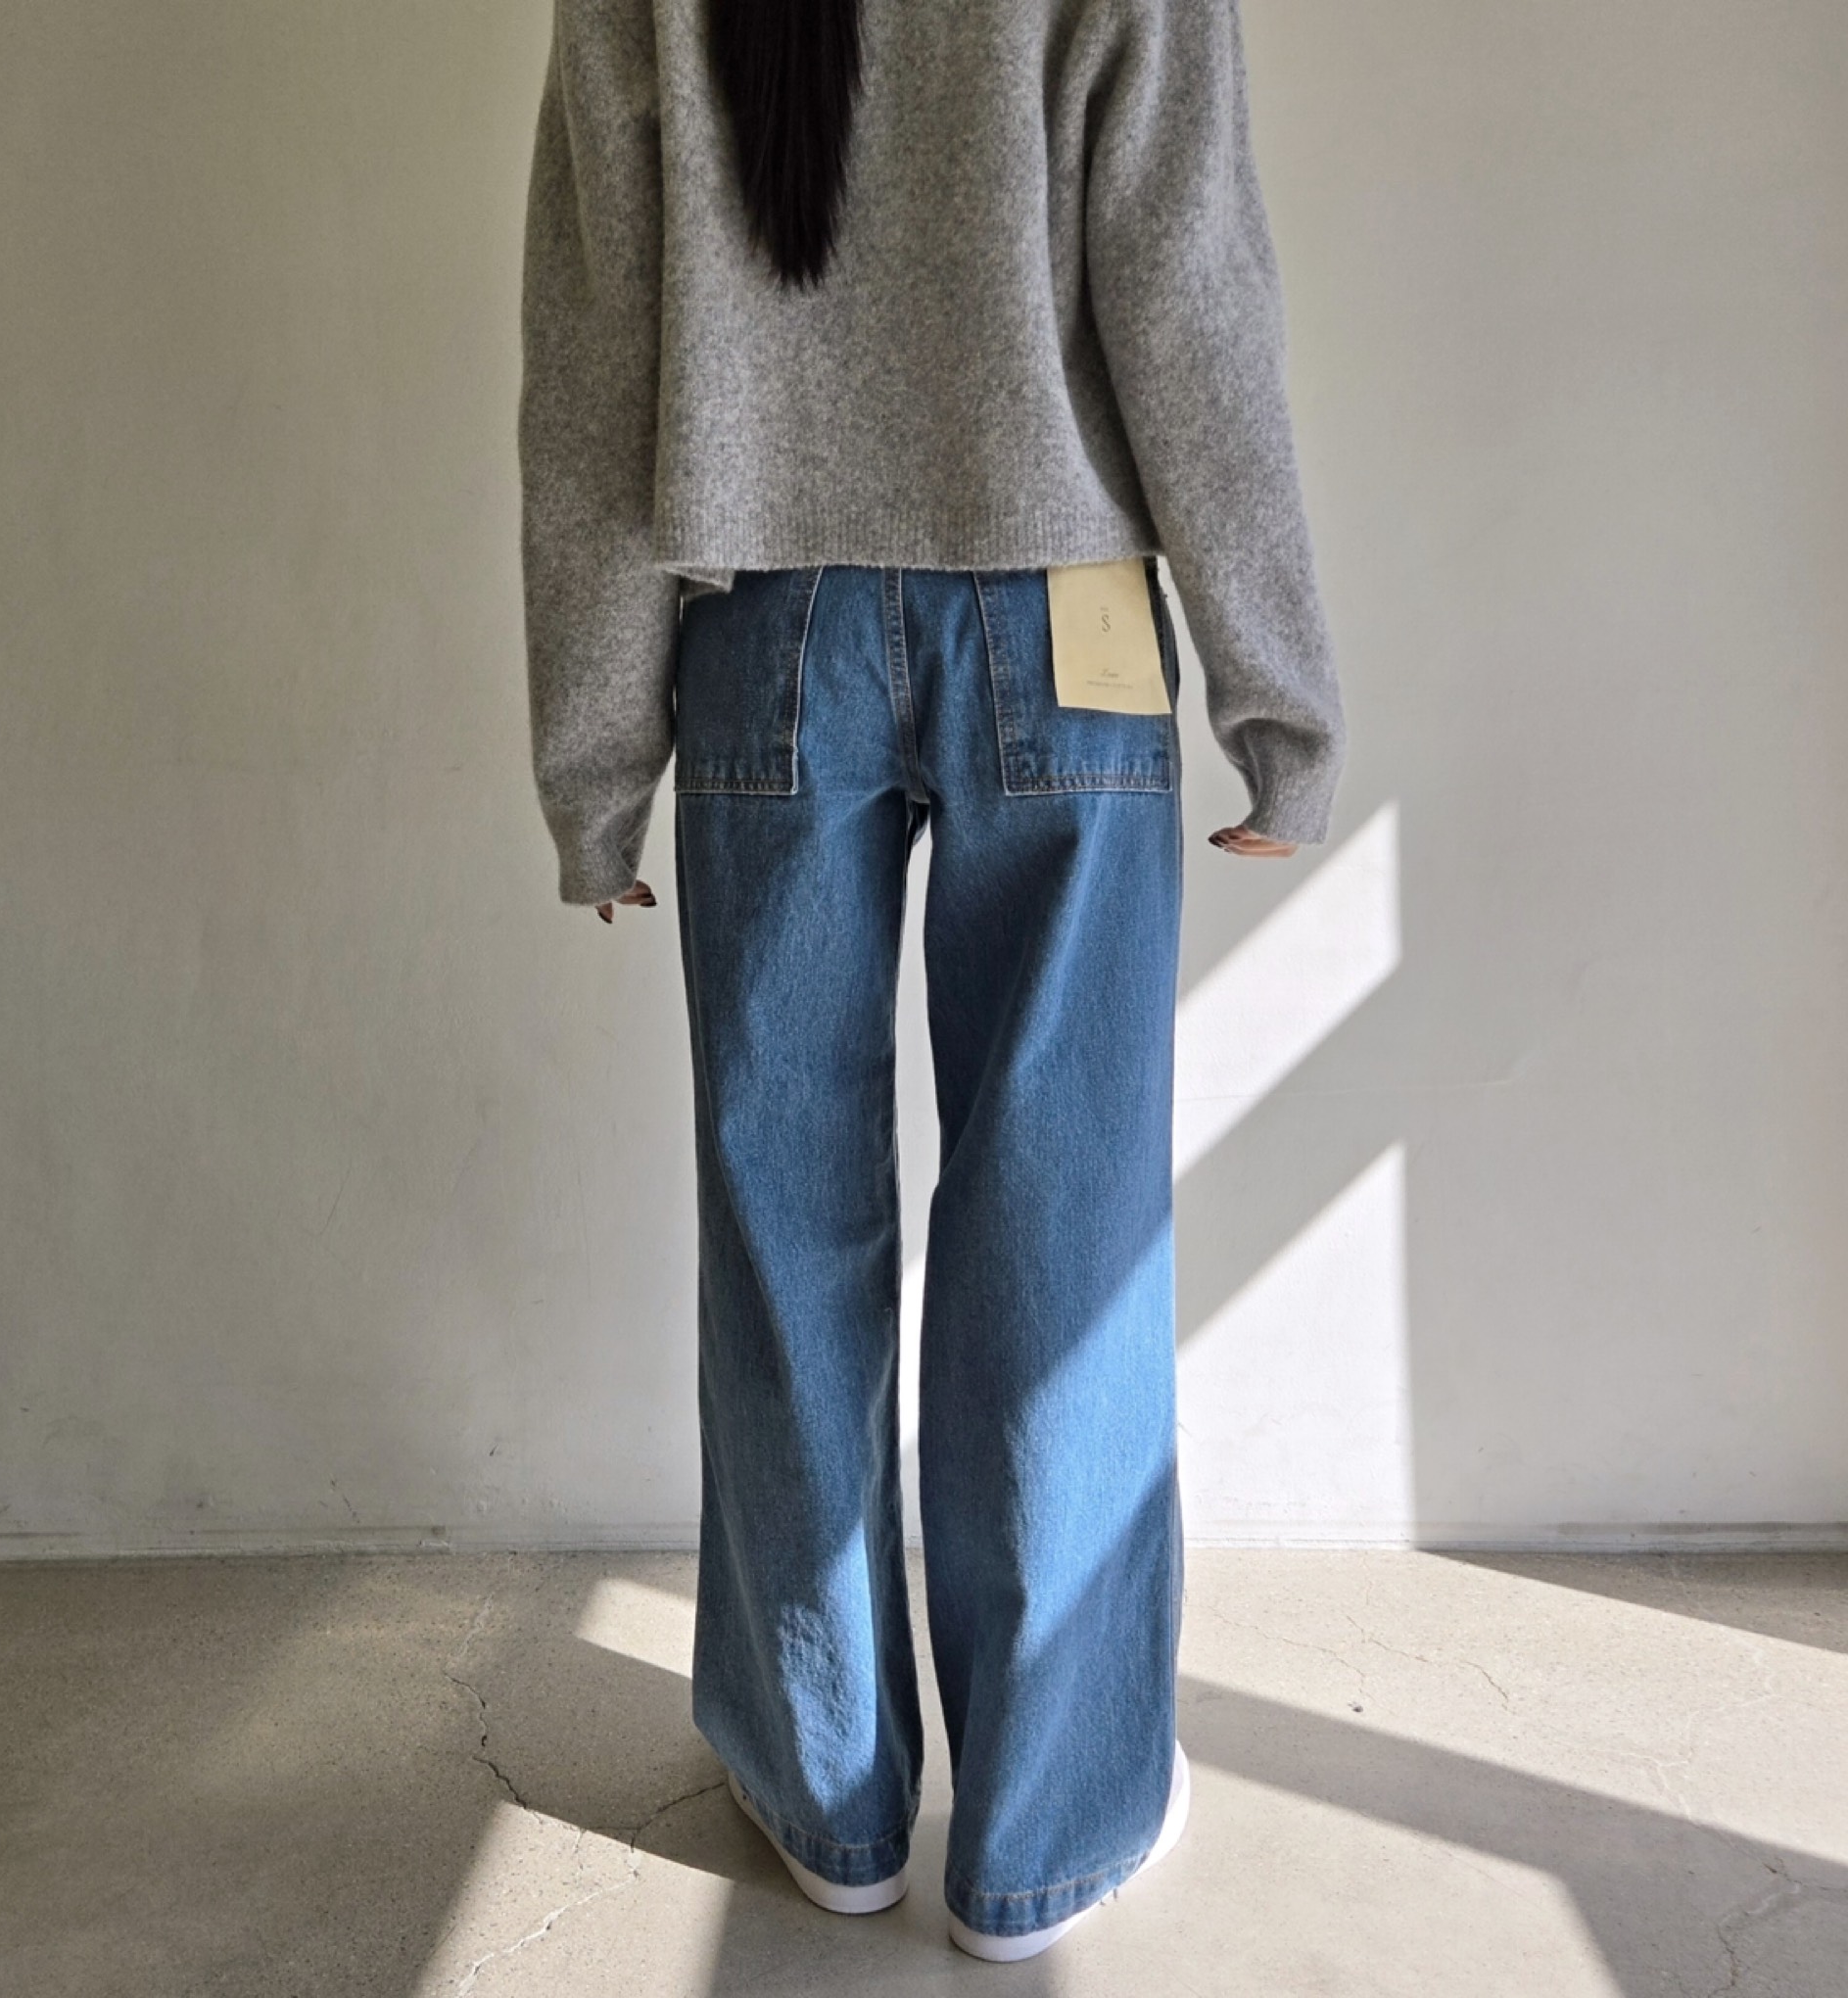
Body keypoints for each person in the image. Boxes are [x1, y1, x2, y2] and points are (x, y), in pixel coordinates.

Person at [517, 0, 1346, 1963]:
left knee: (784, 1223)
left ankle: (832, 1799)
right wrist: (1279, 698)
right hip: (1071, 618)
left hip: (763, 628)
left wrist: (595, 763)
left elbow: (596, 350)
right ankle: (1046, 1832)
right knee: (1064, 1228)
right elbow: (1191, 294)